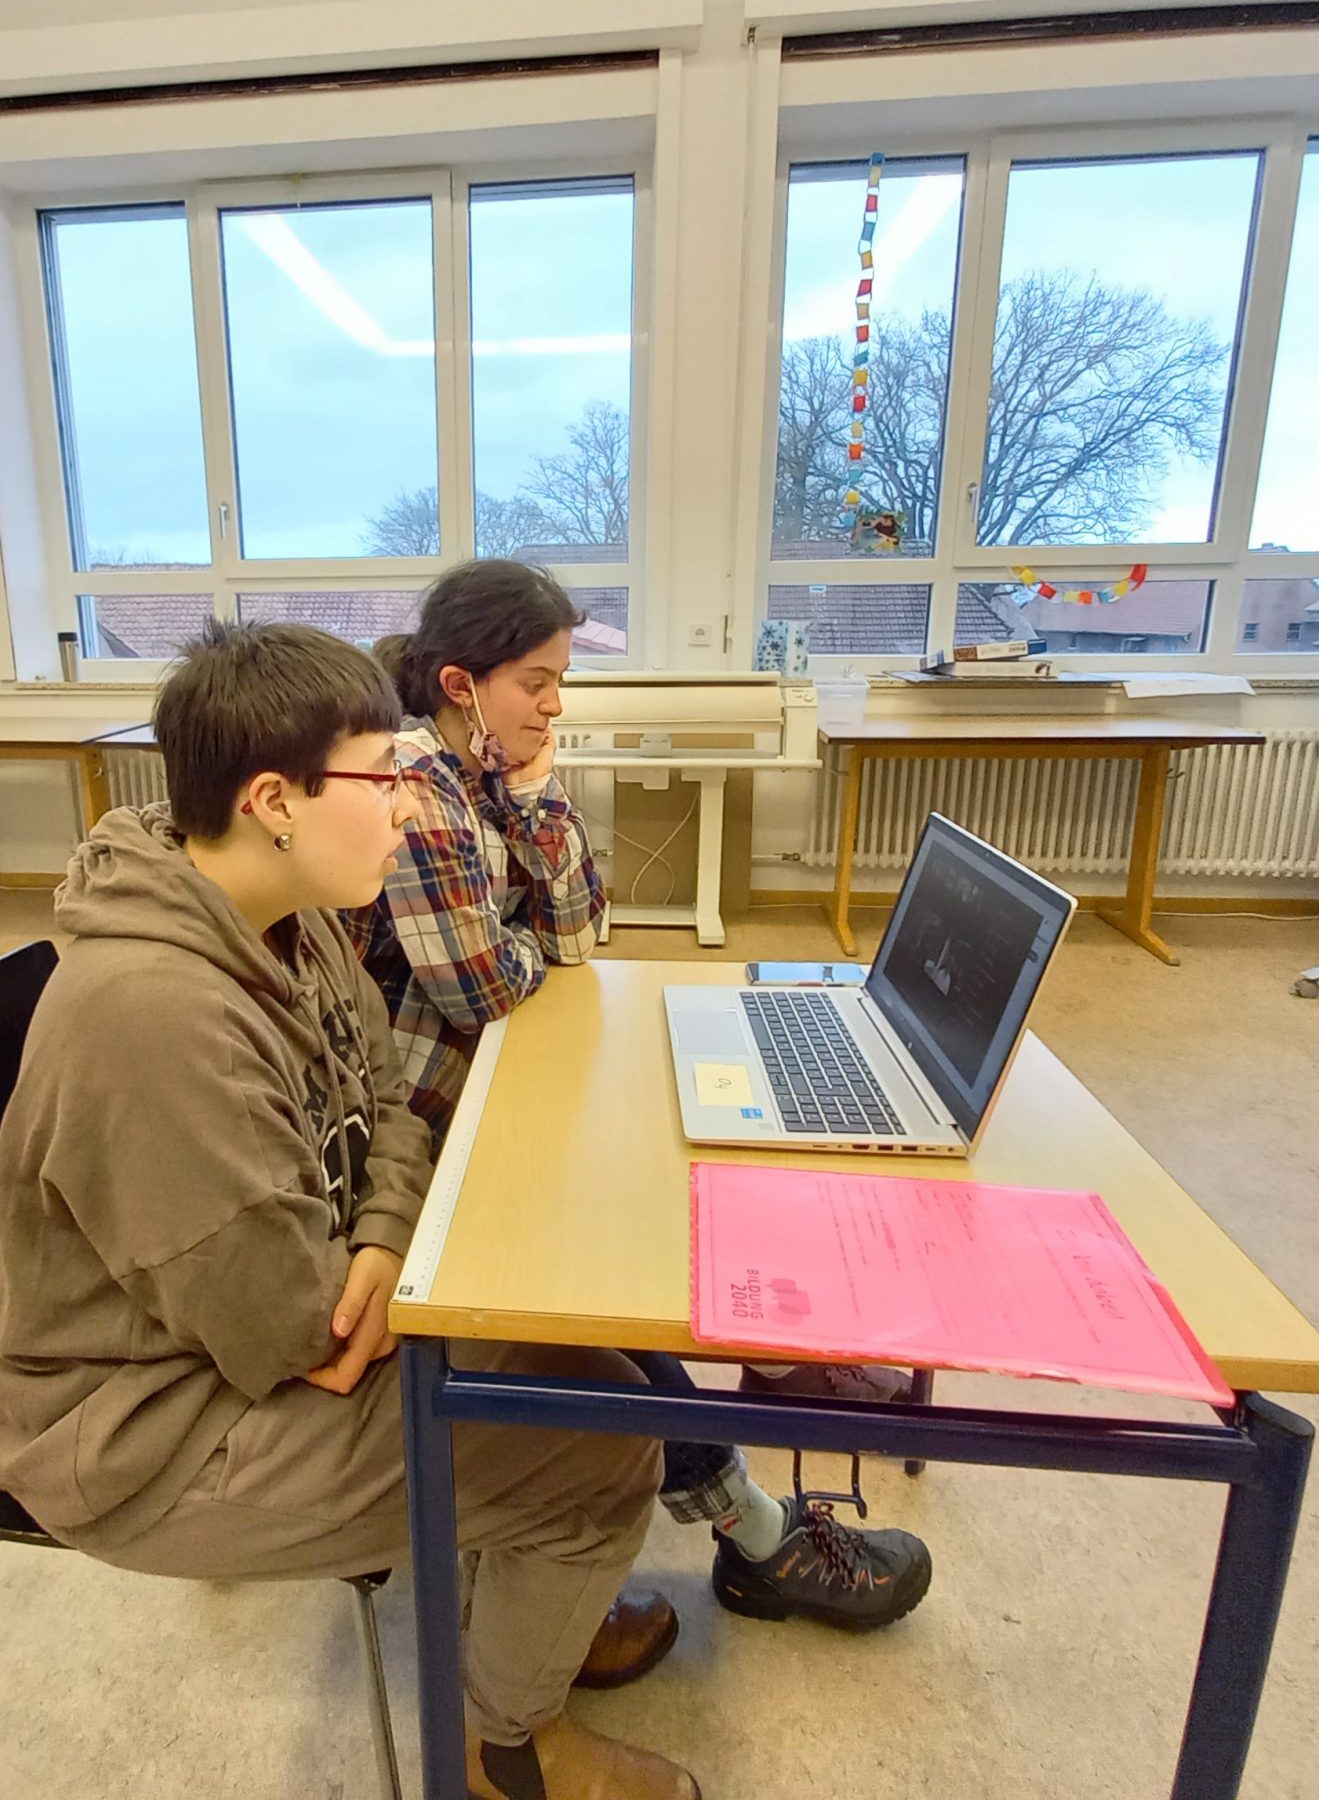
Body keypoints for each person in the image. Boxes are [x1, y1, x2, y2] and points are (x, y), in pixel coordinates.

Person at [0, 621, 700, 1800]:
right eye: (382, 777)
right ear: (273, 801)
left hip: (234, 1335)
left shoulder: (286, 915)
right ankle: (509, 1747)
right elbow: (296, 1334)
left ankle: (532, 1606)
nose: (410, 807)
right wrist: (367, 1257)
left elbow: (390, 1102)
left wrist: (384, 1233)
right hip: (145, 1433)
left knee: (566, 1361)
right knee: (602, 1446)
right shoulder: (157, 1019)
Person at [349, 559, 933, 1632]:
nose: (554, 706)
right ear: (461, 683)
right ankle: (753, 1526)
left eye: (559, 681)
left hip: (489, 1070)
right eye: (536, 682)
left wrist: (537, 800)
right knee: (603, 1235)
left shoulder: (490, 775)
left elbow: (578, 935)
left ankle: (770, 1373)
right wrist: (524, 947)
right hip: (418, 1118)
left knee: (657, 1135)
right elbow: (480, 989)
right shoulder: (416, 787)